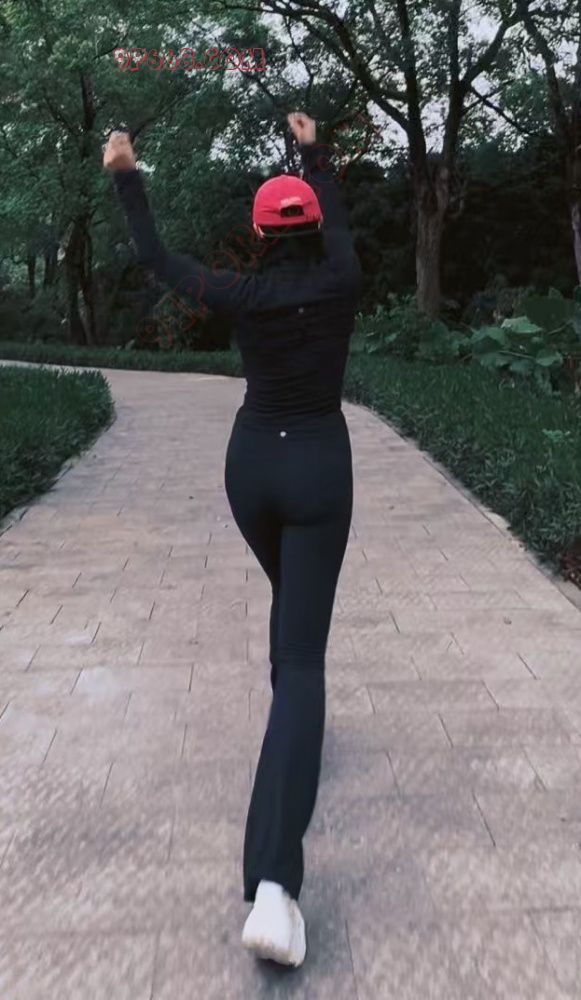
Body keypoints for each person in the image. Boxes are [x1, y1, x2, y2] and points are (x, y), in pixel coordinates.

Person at [103, 111, 362, 968]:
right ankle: (274, 888)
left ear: (256, 233)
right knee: (303, 659)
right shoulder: (341, 279)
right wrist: (314, 153)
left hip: (250, 470)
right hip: (318, 468)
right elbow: (338, 226)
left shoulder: (240, 294)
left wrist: (126, 174)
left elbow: (156, 258)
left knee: (291, 617)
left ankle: (291, 737)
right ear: (312, 229)